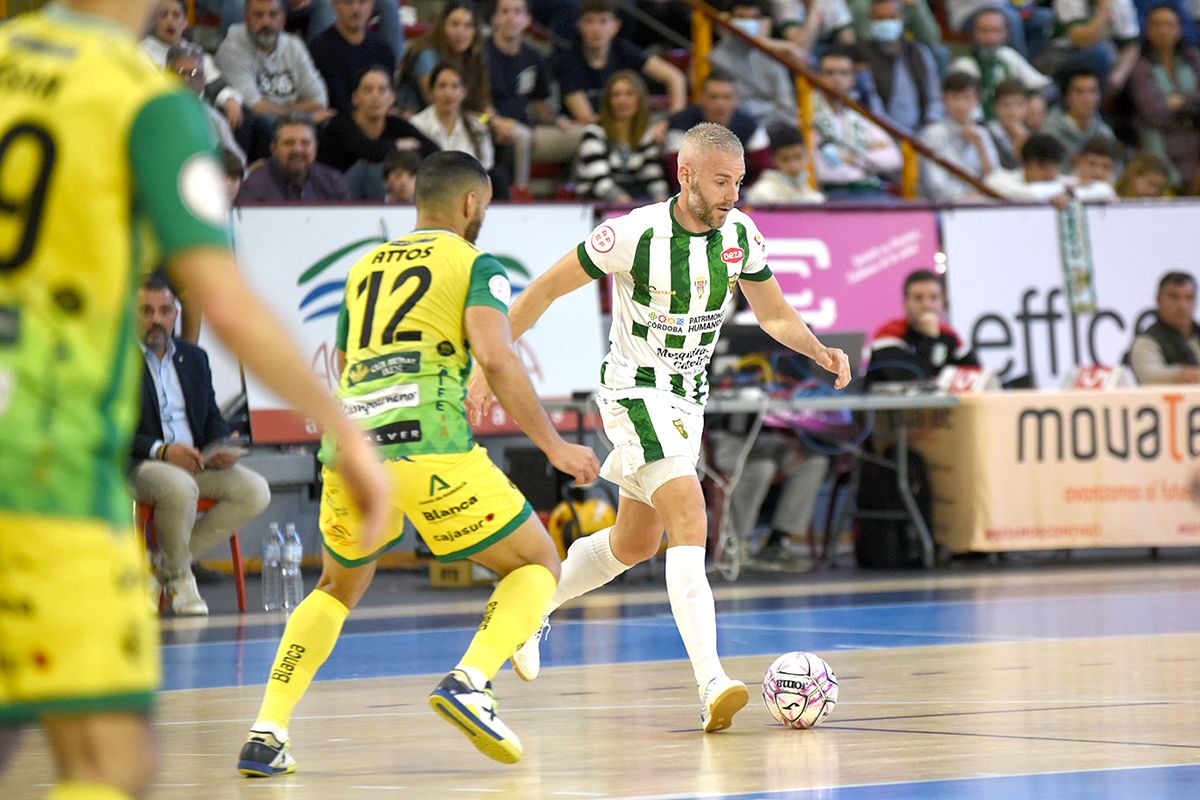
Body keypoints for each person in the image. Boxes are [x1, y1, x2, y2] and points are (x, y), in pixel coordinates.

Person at [0, 4, 392, 799]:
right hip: (44, 469)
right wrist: (346, 427)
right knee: (110, 764)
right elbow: (229, 300)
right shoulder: (142, 99)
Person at [468, 122, 851, 733]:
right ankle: (711, 681)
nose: (732, 194)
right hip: (635, 393)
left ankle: (528, 605)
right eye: (721, 181)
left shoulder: (741, 235)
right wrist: (494, 361)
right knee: (691, 517)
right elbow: (542, 290)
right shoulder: (632, 233)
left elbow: (773, 311)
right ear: (686, 173)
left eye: (739, 182)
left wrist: (817, 349)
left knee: (635, 543)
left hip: (686, 403)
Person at [235, 151, 600, 775]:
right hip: (427, 443)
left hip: (350, 449)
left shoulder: (365, 268)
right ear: (470, 204)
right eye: (484, 206)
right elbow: (497, 355)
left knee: (336, 587)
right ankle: (470, 681)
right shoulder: (475, 263)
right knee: (538, 562)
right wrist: (555, 446)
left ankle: (266, 733)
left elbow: (348, 362)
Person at [131, 274, 270, 616]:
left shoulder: (194, 358)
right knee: (179, 488)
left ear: (176, 314)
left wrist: (221, 444)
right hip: (142, 464)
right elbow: (113, 432)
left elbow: (210, 416)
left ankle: (162, 571)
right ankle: (180, 581)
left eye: (164, 311)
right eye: (146, 311)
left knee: (255, 491)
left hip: (195, 461)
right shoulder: (118, 362)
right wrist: (163, 451)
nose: (156, 320)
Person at [556, 0, 688, 124]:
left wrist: (672, 122)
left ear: (616, 26)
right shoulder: (568, 62)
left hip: (626, 126)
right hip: (591, 132)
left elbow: (675, 77)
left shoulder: (625, 50)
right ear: (579, 25)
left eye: (603, 21)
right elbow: (586, 118)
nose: (596, 29)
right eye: (589, 21)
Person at [215, 0, 333, 123]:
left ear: (283, 19)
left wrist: (280, 112)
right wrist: (308, 117)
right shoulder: (232, 49)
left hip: (291, 125)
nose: (266, 22)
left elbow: (319, 101)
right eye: (258, 15)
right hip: (257, 127)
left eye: (273, 14)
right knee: (263, 121)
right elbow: (254, 107)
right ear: (245, 18)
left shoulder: (294, 45)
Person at [812, 46, 904, 199]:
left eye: (844, 73)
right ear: (818, 76)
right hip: (828, 193)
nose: (837, 79)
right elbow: (821, 169)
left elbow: (894, 158)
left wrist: (854, 157)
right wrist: (869, 150)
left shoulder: (860, 116)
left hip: (867, 189)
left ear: (853, 79)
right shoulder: (806, 115)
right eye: (829, 73)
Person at [142, 0, 245, 130]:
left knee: (242, 114)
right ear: (153, 22)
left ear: (185, 22)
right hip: (163, 113)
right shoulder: (141, 53)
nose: (170, 21)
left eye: (176, 15)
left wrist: (230, 99)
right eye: (163, 15)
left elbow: (216, 84)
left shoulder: (195, 52)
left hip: (199, 111)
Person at [1129, 3, 1200, 190]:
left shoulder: (1193, 58)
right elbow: (1155, 113)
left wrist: (1181, 102)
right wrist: (1191, 110)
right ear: (1148, 30)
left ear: (1180, 29)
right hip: (1162, 138)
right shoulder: (1140, 66)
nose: (1163, 30)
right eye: (1157, 25)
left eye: (1170, 25)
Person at [317, 67, 438, 174]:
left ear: (392, 98)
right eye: (368, 90)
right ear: (355, 98)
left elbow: (433, 150)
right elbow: (368, 151)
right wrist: (398, 145)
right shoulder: (341, 125)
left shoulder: (395, 123)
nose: (375, 96)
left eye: (382, 90)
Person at [663, 73, 773, 190]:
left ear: (736, 100)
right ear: (701, 98)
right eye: (713, 97)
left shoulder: (750, 126)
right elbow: (679, 171)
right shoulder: (681, 124)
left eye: (726, 97)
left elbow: (764, 170)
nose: (720, 104)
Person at [573, 70, 670, 202]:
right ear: (608, 101)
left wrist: (662, 205)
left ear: (639, 99)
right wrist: (630, 209)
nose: (622, 100)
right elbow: (601, 184)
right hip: (597, 206)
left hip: (632, 205)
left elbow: (654, 178)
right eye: (616, 95)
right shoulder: (593, 134)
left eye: (629, 94)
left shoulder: (645, 137)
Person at [867, 269, 979, 382]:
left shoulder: (949, 334)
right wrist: (929, 337)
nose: (927, 305)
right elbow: (911, 381)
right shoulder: (889, 334)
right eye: (918, 298)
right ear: (905, 303)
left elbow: (976, 376)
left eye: (934, 297)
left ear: (943, 303)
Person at [948, 7, 1054, 120]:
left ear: (1006, 33)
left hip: (1009, 121)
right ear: (974, 33)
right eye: (984, 31)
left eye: (996, 31)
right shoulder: (963, 65)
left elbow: (1047, 86)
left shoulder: (1008, 56)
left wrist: (1039, 100)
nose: (990, 37)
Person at [709, 1, 800, 132]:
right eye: (741, 18)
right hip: (738, 131)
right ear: (729, 20)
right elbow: (734, 108)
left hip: (776, 128)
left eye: (753, 18)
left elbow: (787, 107)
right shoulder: (718, 58)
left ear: (764, 22)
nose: (747, 23)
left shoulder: (773, 56)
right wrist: (770, 109)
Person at [859, 0, 944, 133]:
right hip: (882, 133)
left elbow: (934, 96)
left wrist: (930, 125)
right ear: (871, 20)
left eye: (891, 17)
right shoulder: (862, 54)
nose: (886, 23)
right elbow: (872, 104)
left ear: (902, 18)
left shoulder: (918, 51)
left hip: (922, 134)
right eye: (880, 18)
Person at [918, 72, 1000, 203]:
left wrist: (980, 147)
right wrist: (965, 196)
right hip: (945, 207)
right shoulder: (932, 134)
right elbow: (934, 185)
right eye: (955, 98)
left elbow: (996, 179)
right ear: (944, 100)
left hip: (983, 202)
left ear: (977, 101)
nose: (961, 105)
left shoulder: (982, 134)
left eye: (967, 98)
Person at [397, 1, 491, 115]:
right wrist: (484, 120)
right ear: (442, 26)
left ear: (475, 31)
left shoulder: (473, 55)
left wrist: (492, 121)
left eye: (468, 26)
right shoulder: (427, 55)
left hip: (463, 119)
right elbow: (440, 104)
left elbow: (482, 102)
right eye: (454, 24)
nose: (460, 32)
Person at [307, 0, 397, 116]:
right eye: (348, 2)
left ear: (372, 4)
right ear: (335, 4)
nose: (356, 9)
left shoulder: (384, 51)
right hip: (336, 124)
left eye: (362, 2)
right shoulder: (318, 49)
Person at [167, 42, 248, 168]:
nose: (187, 80)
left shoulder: (215, 119)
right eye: (181, 73)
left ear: (204, 81)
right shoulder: (153, 115)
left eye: (194, 74)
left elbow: (239, 164)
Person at [238, 114, 351, 202]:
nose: (297, 150)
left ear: (316, 147)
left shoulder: (333, 182)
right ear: (274, 148)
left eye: (305, 143)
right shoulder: (254, 187)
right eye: (289, 143)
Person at [410, 63, 496, 172]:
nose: (448, 94)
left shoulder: (477, 125)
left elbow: (486, 166)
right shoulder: (417, 125)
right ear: (431, 91)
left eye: (455, 86)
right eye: (442, 86)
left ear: (464, 91)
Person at [1126, 271, 1200, 384]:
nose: (1182, 305)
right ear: (1159, 300)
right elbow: (1149, 377)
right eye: (1174, 297)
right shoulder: (1147, 341)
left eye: (1189, 298)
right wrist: (1183, 375)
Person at [1040, 68, 1117, 167]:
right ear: (1066, 96)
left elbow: (1116, 172)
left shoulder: (1105, 134)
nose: (1087, 98)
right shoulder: (1048, 133)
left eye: (1092, 91)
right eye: (1079, 91)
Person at [985, 132, 1073, 204]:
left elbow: (1082, 188)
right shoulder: (1001, 179)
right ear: (1026, 164)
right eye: (1043, 167)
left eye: (1054, 167)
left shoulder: (1065, 183)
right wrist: (1062, 190)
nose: (1050, 173)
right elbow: (1031, 194)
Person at [744, 125, 825, 203]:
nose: (793, 165)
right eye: (785, 159)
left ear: (807, 155)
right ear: (773, 160)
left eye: (798, 157)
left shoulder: (814, 198)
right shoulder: (762, 194)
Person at [985, 77, 1033, 169]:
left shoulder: (1031, 133)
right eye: (1006, 105)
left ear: (1027, 106)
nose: (1012, 111)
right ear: (995, 107)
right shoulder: (986, 132)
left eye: (1019, 104)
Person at [1066, 134, 1120, 201]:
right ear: (1079, 161)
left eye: (1106, 167)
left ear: (1113, 170)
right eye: (1092, 164)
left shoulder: (1112, 196)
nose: (1098, 172)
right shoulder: (1060, 184)